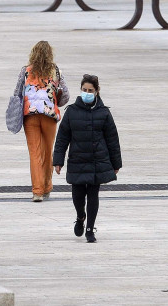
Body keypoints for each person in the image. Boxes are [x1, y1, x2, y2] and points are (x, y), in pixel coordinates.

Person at [52, 74, 122, 243]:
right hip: (77, 159)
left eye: (90, 90)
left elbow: (112, 139)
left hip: (97, 159)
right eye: (84, 90)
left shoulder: (104, 113)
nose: (87, 93)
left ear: (97, 92)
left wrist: (116, 163)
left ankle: (90, 229)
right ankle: (80, 216)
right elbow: (62, 137)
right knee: (77, 195)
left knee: (92, 195)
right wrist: (58, 160)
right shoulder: (72, 112)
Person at [16, 41, 69, 202]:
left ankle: (37, 191)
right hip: (49, 116)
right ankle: (46, 188)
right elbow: (65, 95)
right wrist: (55, 101)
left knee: (34, 153)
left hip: (30, 116)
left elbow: (17, 93)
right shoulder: (56, 71)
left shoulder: (25, 71)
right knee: (47, 152)